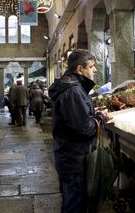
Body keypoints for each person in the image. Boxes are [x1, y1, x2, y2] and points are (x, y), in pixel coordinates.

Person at [48, 49, 112, 213]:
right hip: (74, 157)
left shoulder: (70, 87)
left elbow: (76, 119)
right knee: (75, 203)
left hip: (68, 154)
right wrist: (100, 118)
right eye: (91, 67)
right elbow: (85, 128)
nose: (95, 70)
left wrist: (94, 114)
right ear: (79, 69)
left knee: (72, 200)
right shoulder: (73, 91)